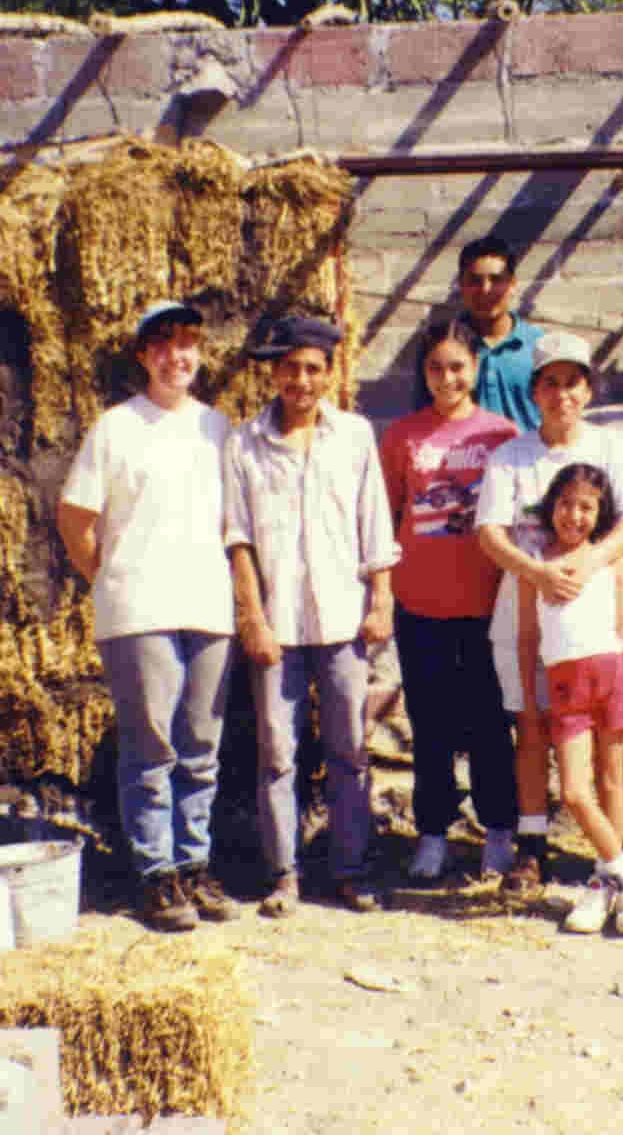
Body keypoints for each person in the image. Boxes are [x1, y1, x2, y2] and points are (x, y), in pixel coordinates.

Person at [56, 299, 240, 933]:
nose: (177, 356)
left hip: (209, 607)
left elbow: (234, 524)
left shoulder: (218, 428)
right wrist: (110, 578)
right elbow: (75, 517)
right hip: (139, 609)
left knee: (202, 749)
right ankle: (155, 874)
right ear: (143, 356)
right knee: (151, 748)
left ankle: (195, 865)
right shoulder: (115, 428)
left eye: (188, 343)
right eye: (163, 345)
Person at [225, 312, 401, 917]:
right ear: (275, 373)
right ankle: (284, 876)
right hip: (279, 624)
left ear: (329, 376)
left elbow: (375, 522)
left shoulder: (353, 436)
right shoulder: (243, 443)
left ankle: (351, 870)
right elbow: (239, 539)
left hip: (344, 622)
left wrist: (381, 600)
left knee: (350, 749)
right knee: (278, 753)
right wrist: (252, 617)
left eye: (313, 369)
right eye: (291, 368)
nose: (301, 380)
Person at [476, 330, 623, 894]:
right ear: (534, 391)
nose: (561, 394)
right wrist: (539, 574)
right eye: (549, 382)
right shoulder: (512, 455)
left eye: (572, 382)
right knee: (531, 725)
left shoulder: (611, 447)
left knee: (606, 745)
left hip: (595, 619)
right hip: (527, 611)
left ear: (589, 389)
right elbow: (489, 533)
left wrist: (591, 564)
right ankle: (532, 847)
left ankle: (611, 857)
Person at [379, 318, 521, 882]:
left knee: (490, 725)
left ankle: (498, 833)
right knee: (430, 725)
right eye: (435, 367)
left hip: (486, 605)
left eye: (458, 366)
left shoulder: (502, 436)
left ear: (476, 369)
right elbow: (386, 519)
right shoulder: (402, 437)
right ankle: (433, 833)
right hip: (421, 605)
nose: (447, 377)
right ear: (423, 372)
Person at [518, 464, 623, 934]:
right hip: (564, 687)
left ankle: (605, 883)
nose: (573, 515)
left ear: (600, 515)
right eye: (565, 504)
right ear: (550, 507)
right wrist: (529, 703)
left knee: (612, 782)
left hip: (612, 676)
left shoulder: (612, 562)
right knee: (575, 791)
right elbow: (526, 639)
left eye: (586, 507)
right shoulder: (535, 566)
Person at [415, 236, 543, 433]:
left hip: (526, 460)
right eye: (475, 280)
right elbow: (423, 417)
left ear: (512, 284)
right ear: (461, 285)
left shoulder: (538, 346)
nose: (485, 290)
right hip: (462, 460)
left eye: (496, 279)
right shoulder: (441, 348)